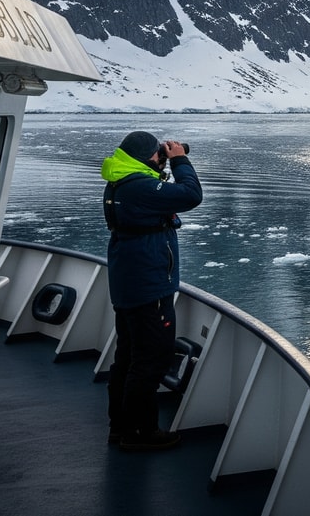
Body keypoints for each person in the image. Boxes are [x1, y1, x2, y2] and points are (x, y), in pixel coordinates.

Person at [101, 130, 202, 452]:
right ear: (146, 158)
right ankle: (140, 432)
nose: (163, 157)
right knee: (151, 360)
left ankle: (120, 427)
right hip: (147, 285)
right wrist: (181, 160)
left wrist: (165, 163)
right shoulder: (141, 186)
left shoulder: (120, 181)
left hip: (129, 280)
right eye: (159, 154)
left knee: (128, 357)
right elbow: (190, 196)